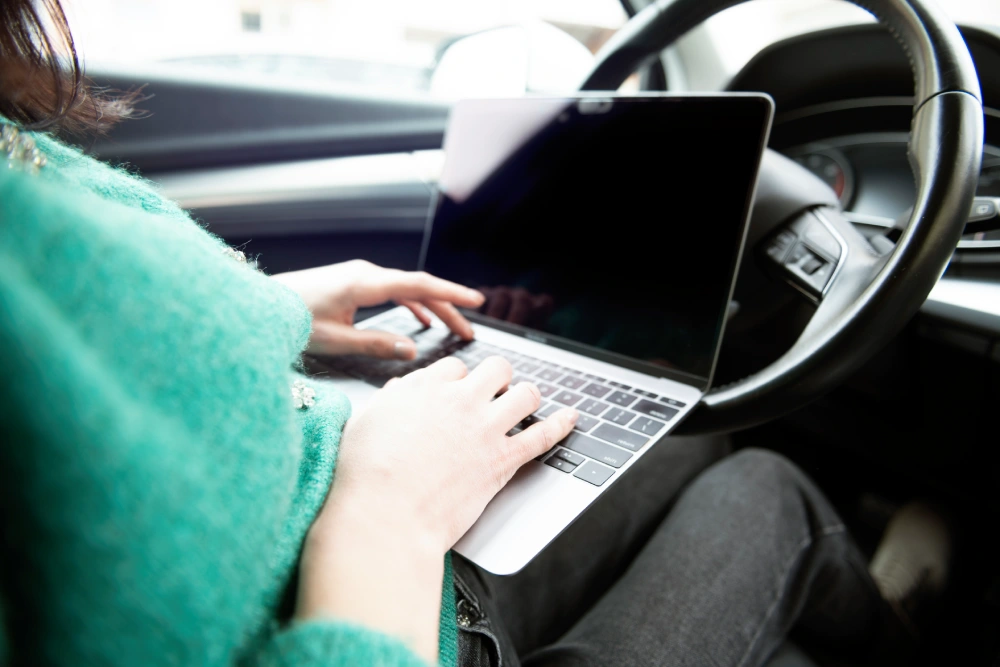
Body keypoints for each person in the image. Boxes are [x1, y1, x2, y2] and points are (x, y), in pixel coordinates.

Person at [0, 2, 942, 666]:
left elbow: (87, 340)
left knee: (690, 426)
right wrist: (388, 514)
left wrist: (271, 310)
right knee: (766, 483)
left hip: (327, 511)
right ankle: (902, 618)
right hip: (393, 605)